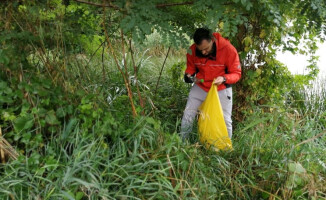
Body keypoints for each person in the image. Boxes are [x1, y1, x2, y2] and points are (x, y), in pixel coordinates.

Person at [180, 27, 241, 141]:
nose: (203, 52)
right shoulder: (192, 50)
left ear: (212, 40)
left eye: (206, 48)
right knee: (188, 115)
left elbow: (236, 74)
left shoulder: (228, 49)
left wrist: (224, 78)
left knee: (225, 119)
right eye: (200, 50)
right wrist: (188, 76)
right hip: (201, 87)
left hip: (221, 88)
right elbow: (191, 68)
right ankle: (182, 143)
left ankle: (227, 149)